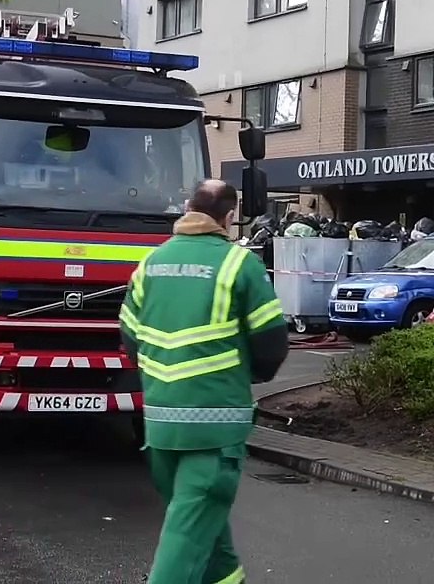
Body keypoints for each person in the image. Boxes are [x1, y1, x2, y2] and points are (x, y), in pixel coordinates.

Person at [119, 179, 289, 584]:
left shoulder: (151, 264)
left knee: (205, 539)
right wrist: (244, 376)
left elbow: (128, 337)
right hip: (214, 430)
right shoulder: (238, 264)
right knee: (185, 542)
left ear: (187, 208)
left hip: (159, 428)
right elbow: (271, 344)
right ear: (229, 217)